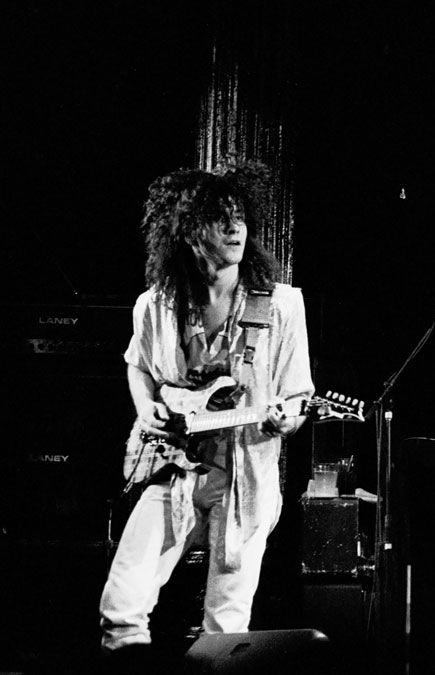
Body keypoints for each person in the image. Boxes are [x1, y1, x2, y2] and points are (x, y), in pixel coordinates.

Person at [98, 163, 315, 659]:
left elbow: (298, 396)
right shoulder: (155, 305)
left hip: (244, 478)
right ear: (190, 230)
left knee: (225, 623)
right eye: (220, 219)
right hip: (172, 470)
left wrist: (289, 419)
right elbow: (138, 366)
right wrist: (147, 407)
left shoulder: (280, 307)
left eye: (239, 217)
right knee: (122, 606)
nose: (235, 228)